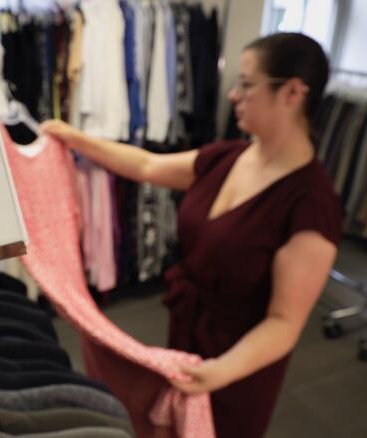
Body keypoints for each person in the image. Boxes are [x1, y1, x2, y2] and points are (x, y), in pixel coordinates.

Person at [40, 32, 342, 438]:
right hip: (189, 335)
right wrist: (76, 140)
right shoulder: (227, 157)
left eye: (247, 85)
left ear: (291, 92)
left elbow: (284, 323)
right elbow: (147, 165)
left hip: (238, 366)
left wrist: (219, 373)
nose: (234, 95)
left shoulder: (310, 206)